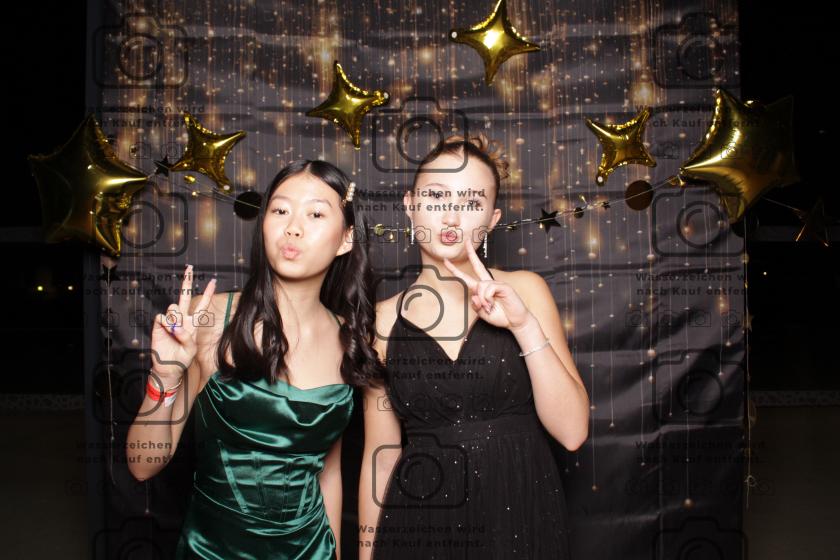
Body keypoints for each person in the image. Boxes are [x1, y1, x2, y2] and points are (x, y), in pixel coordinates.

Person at [126, 159, 385, 559]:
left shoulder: (351, 338)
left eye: (316, 214)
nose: (292, 227)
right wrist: (166, 375)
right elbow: (143, 465)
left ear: (346, 239)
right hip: (213, 551)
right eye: (280, 210)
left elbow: (327, 472)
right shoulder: (210, 319)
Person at [358, 133, 590, 559]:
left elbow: (573, 432)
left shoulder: (525, 291)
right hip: (421, 526)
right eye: (436, 196)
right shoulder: (382, 320)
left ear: (493, 217)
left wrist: (523, 325)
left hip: (522, 517)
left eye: (470, 202)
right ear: (410, 205)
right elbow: (381, 456)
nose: (451, 216)